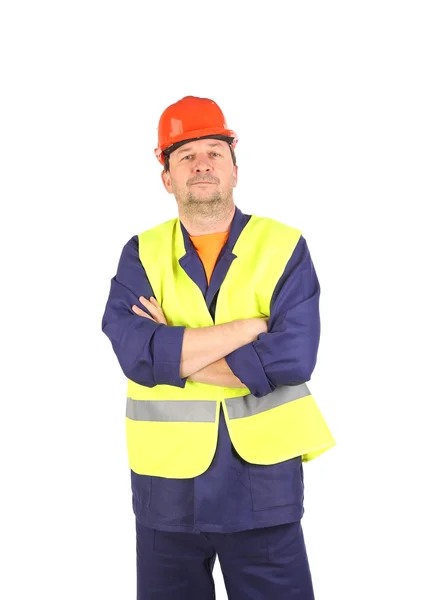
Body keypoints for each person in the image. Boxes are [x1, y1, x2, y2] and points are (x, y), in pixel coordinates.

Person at [101, 95, 336, 599]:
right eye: (185, 155)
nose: (201, 163)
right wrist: (249, 328)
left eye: (214, 152)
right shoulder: (140, 254)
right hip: (166, 491)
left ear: (234, 169)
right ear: (167, 177)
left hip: (261, 485)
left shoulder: (284, 247)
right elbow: (133, 353)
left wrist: (172, 351)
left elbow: (293, 358)